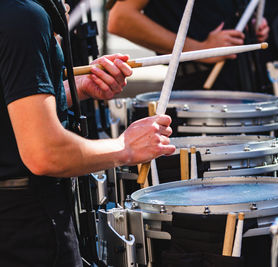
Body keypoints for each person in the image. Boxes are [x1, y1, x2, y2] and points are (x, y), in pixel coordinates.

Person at [0, 0, 175, 266]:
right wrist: (125, 147)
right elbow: (45, 153)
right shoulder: (23, 18)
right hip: (27, 233)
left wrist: (73, 88)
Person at [108, 0, 270, 91]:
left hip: (247, 81)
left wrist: (252, 24)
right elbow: (120, 19)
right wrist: (200, 49)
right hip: (200, 93)